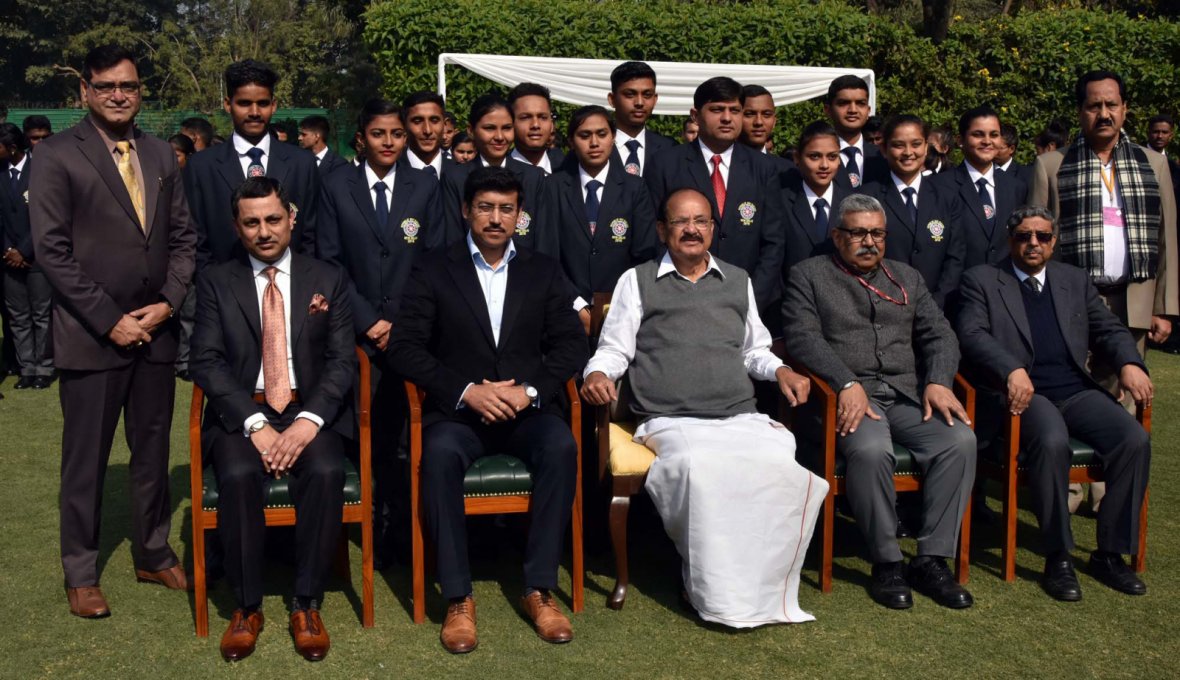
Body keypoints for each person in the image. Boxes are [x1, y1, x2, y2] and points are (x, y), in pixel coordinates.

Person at [581, 188, 827, 626]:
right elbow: (614, 347)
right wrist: (598, 374)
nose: (691, 230)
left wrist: (782, 371)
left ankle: (763, 590)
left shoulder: (737, 279)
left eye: (701, 221)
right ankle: (710, 592)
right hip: (669, 420)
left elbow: (756, 351)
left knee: (781, 465)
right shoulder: (635, 281)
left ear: (713, 228)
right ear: (662, 230)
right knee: (701, 469)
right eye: (680, 222)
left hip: (738, 415)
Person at [388, 166, 588, 654]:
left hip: (526, 413)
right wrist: (465, 391)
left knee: (561, 445)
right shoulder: (434, 267)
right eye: (485, 208)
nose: (495, 218)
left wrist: (530, 392)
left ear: (520, 215)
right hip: (458, 417)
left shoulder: (542, 269)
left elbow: (570, 344)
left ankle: (539, 589)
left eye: (505, 209)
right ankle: (458, 598)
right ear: (465, 210)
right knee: (436, 455)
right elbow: (405, 348)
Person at [30, 44, 196, 618]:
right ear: (85, 92)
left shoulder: (160, 155)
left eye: (127, 85)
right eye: (105, 87)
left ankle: (153, 551)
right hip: (92, 335)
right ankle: (81, 570)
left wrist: (168, 304)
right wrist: (111, 319)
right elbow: (51, 251)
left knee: (152, 452)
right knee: (87, 460)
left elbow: (182, 239)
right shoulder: (55, 155)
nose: (118, 95)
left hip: (156, 331)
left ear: (140, 89)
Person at [782, 194, 976, 610]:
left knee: (958, 441)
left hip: (906, 394)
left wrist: (940, 381)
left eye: (877, 233)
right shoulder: (809, 275)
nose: (869, 241)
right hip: (846, 398)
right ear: (837, 236)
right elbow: (802, 337)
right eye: (858, 233)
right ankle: (886, 562)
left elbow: (939, 334)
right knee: (870, 450)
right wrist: (845, 381)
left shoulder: (907, 277)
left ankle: (931, 560)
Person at [191, 177, 355, 662]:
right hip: (245, 410)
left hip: (310, 409)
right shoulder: (216, 281)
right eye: (252, 222)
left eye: (273, 219)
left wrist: (309, 421)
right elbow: (205, 360)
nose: (264, 231)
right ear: (237, 227)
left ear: (292, 218)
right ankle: (247, 607)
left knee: (325, 470)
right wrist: (255, 425)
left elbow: (343, 361)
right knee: (240, 475)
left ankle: (306, 602)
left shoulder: (328, 278)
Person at [956, 206, 1152, 601]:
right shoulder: (982, 279)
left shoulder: (1072, 279)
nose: (1033, 243)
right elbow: (972, 333)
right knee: (1051, 440)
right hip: (1021, 396)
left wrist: (1129, 362)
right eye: (1024, 236)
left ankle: (1110, 553)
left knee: (1133, 439)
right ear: (1010, 240)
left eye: (1042, 237)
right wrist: (1011, 368)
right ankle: (1058, 556)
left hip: (1075, 391)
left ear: (1053, 241)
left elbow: (1108, 329)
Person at [317, 98, 444, 568]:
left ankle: (400, 531)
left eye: (396, 134)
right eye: (378, 134)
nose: (388, 142)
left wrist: (406, 324)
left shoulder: (425, 184)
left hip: (410, 331)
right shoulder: (334, 184)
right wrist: (369, 319)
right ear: (361, 138)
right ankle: (357, 526)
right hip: (356, 330)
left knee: (406, 435)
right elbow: (329, 262)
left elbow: (432, 257)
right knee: (358, 430)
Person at [645, 76, 785, 325]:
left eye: (735, 110)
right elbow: (655, 235)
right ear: (696, 115)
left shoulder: (763, 168)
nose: (727, 118)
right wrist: (681, 292)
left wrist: (750, 297)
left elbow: (773, 241)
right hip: (681, 300)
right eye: (717, 110)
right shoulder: (666, 164)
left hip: (750, 301)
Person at [185, 59, 320, 269]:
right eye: (244, 103)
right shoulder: (201, 167)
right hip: (224, 291)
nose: (255, 112)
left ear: (274, 105)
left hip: (292, 289)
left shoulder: (302, 163)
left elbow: (310, 236)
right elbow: (197, 241)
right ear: (228, 104)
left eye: (263, 103)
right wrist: (213, 289)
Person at [552, 105, 657, 331]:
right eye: (584, 135)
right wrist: (577, 304)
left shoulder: (635, 188)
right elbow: (548, 256)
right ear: (571, 141)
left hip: (623, 311)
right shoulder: (552, 187)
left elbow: (644, 253)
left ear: (613, 137)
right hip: (565, 311)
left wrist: (619, 302)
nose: (594, 143)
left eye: (601, 134)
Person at [862, 115, 965, 307]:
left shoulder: (947, 197)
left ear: (926, 147)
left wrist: (936, 304)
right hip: (882, 308)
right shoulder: (868, 197)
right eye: (899, 145)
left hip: (937, 310)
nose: (908, 152)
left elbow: (955, 257)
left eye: (916, 144)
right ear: (884, 149)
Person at [439, 93, 556, 255]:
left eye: (507, 128)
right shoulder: (455, 178)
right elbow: (452, 239)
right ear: (471, 130)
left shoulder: (533, 177)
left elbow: (544, 241)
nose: (500, 137)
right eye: (490, 128)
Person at [931, 106, 1028, 271]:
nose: (987, 141)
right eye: (978, 134)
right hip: (957, 289)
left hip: (1006, 287)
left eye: (994, 135)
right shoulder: (939, 186)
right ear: (960, 140)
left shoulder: (1016, 187)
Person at [1, 123, 53, 388]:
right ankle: (27, 368)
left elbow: (45, 216)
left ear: (11, 148)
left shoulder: (40, 171)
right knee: (18, 316)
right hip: (8, 259)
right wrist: (8, 250)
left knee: (41, 315)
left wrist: (24, 250)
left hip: (37, 256)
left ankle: (44, 367)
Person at [780, 121, 856, 280]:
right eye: (814, 156)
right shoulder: (780, 202)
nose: (824, 165)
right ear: (797, 158)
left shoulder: (853, 204)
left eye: (832, 156)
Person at [608, 61, 675, 176]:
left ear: (655, 99)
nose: (639, 102)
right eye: (630, 94)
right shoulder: (595, 146)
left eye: (647, 95)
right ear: (612, 100)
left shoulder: (670, 149)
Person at [823, 75, 886, 188]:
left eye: (860, 103)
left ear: (868, 110)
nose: (853, 110)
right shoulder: (815, 157)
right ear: (828, 110)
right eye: (843, 103)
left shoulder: (883, 157)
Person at [508, 82, 564, 174]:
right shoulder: (497, 170)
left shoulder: (568, 169)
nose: (535, 125)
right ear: (510, 122)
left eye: (543, 117)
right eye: (525, 117)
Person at [400, 91, 456, 179]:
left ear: (444, 124)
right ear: (404, 125)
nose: (427, 130)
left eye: (434, 120)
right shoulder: (390, 172)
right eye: (417, 121)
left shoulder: (461, 174)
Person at [740, 84, 793, 172]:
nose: (759, 122)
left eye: (766, 115)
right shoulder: (719, 168)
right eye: (749, 114)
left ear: (774, 121)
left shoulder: (787, 171)